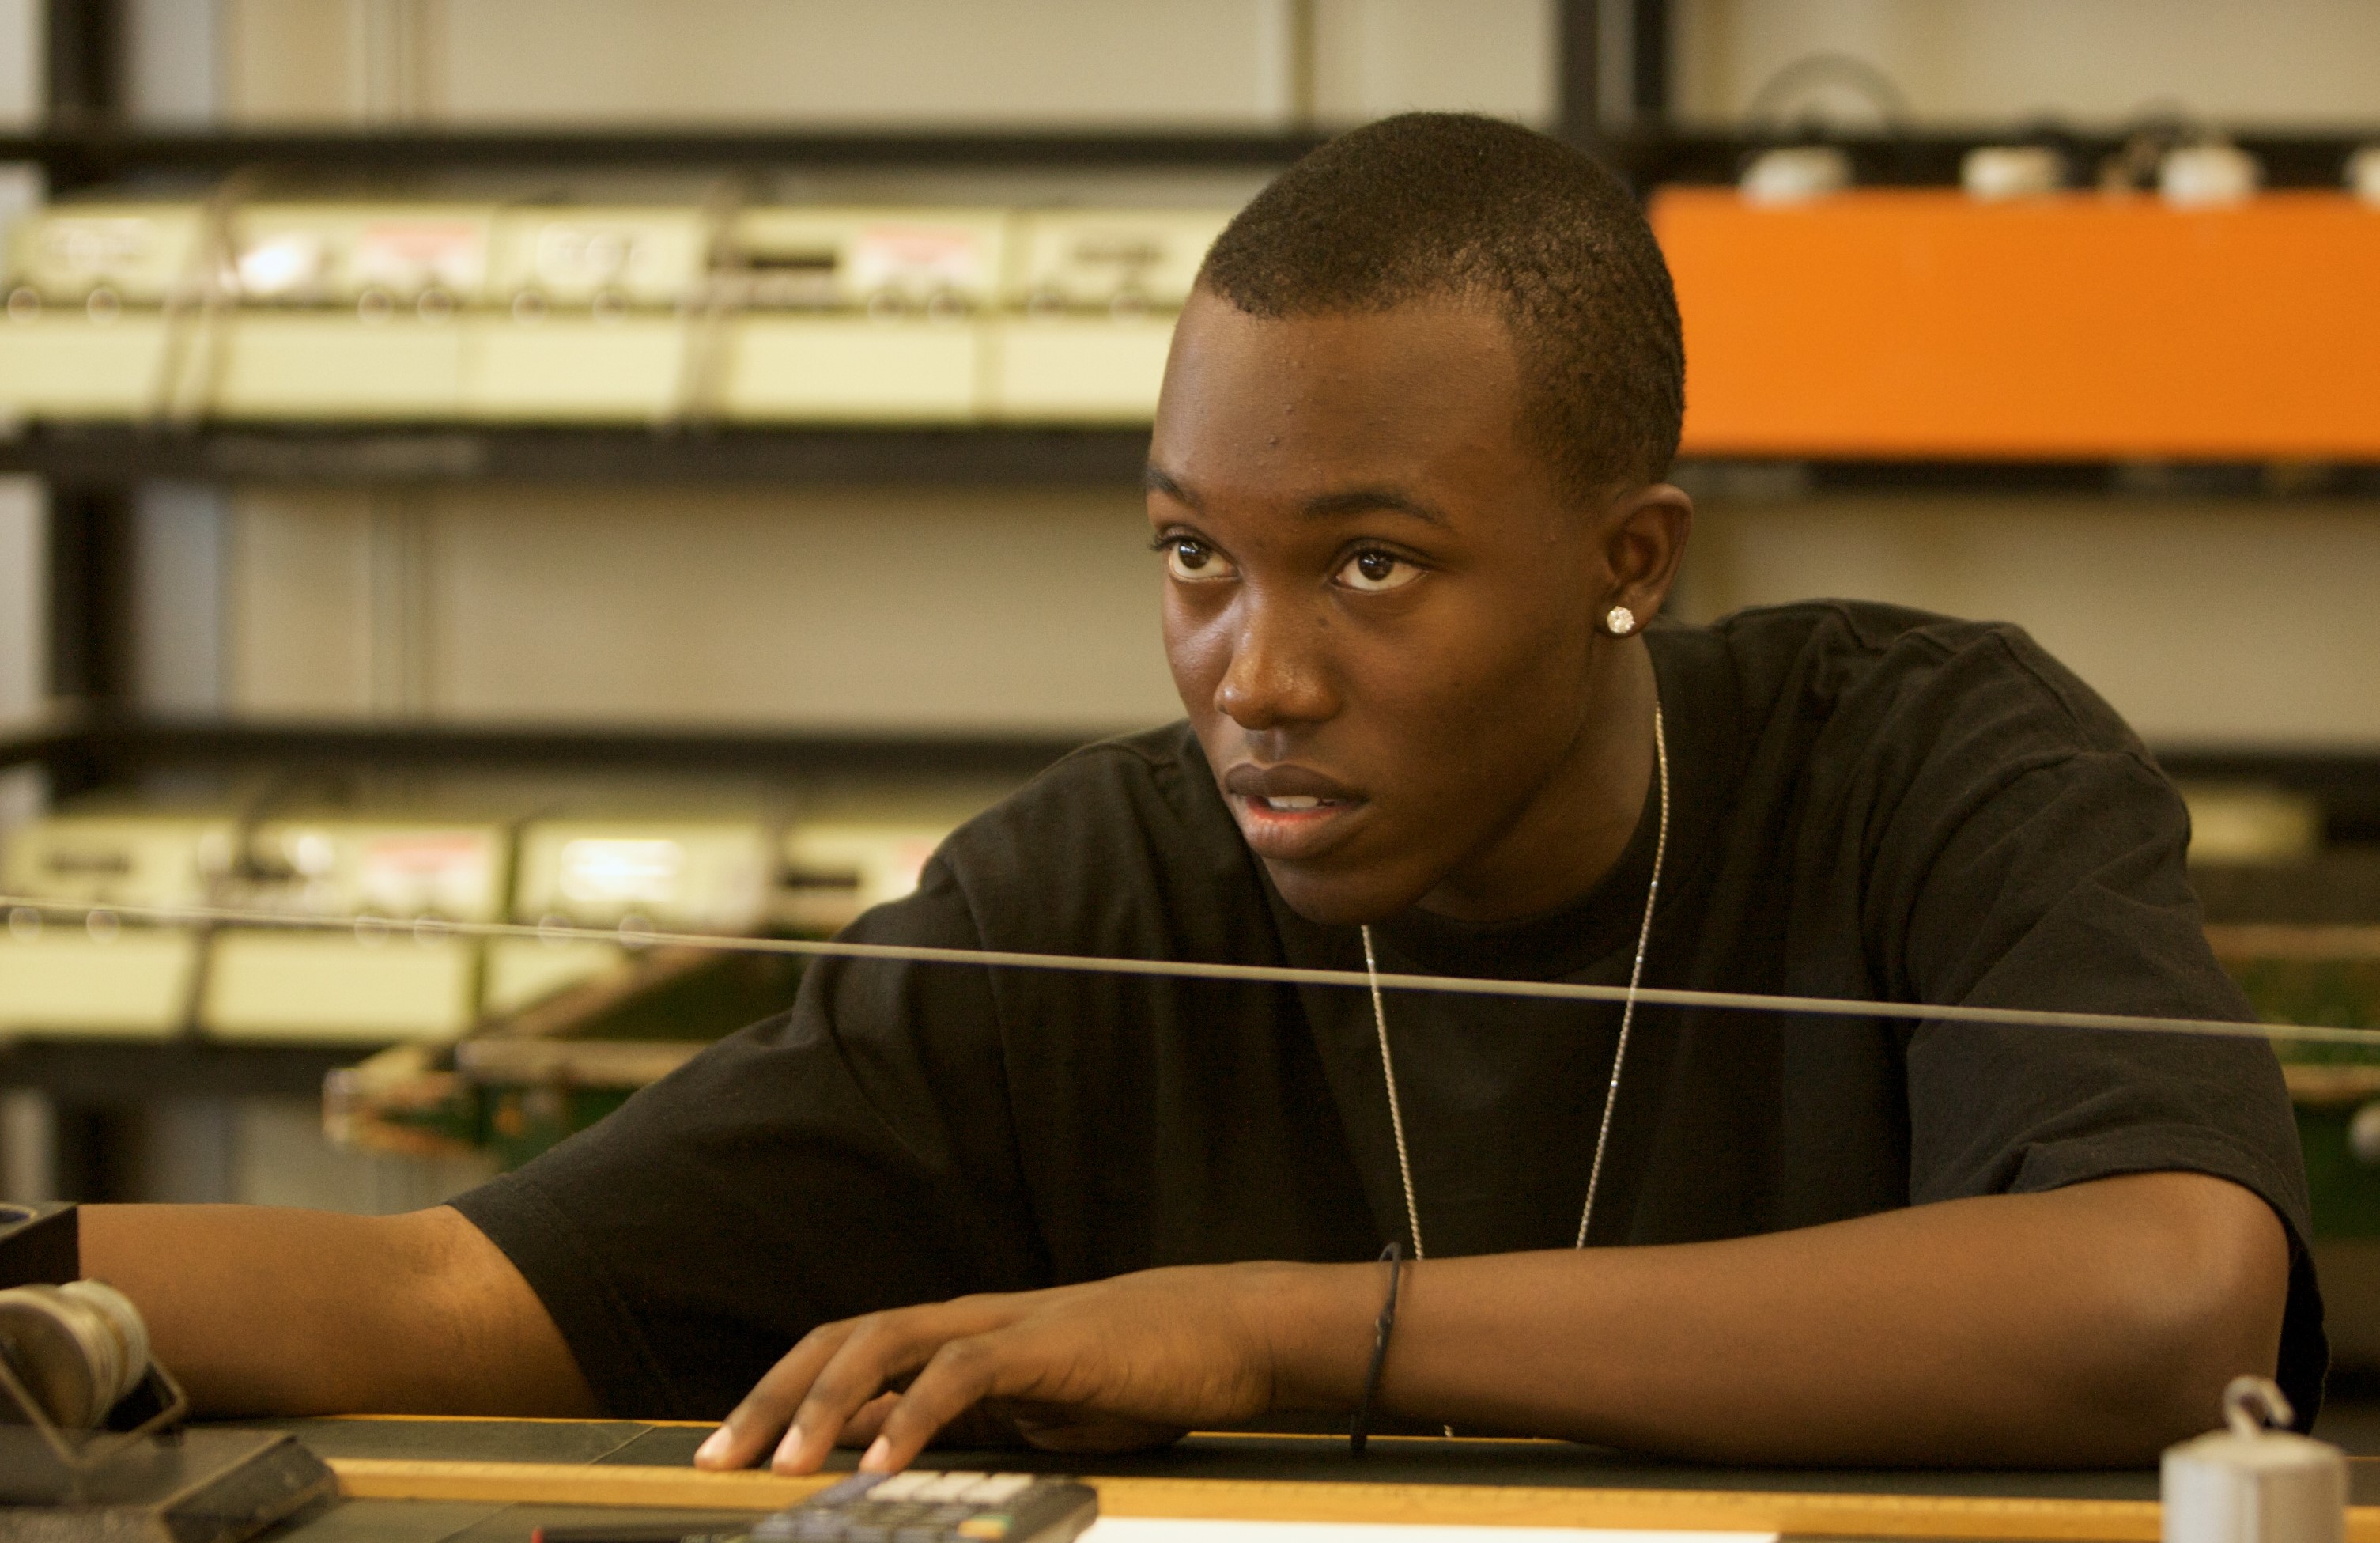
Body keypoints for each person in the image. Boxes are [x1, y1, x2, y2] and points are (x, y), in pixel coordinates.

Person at [81, 113, 2318, 1473]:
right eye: (1189, 557)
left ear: (1628, 558)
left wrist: (1271, 1325)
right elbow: (462, 1300)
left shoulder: (1927, 761)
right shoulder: (1098, 880)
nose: (1254, 675)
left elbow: (2158, 1306)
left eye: (1369, 563)